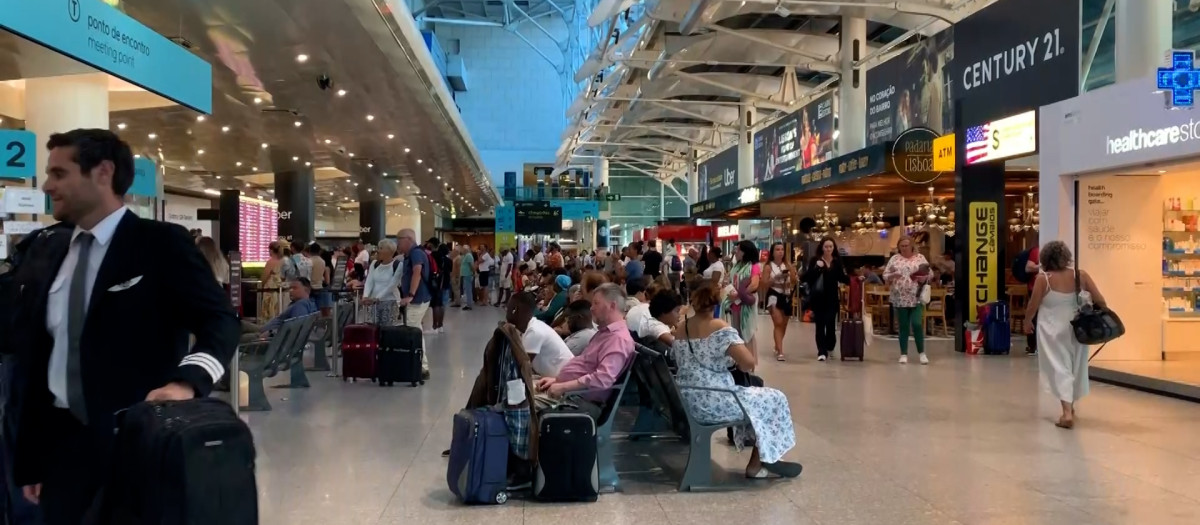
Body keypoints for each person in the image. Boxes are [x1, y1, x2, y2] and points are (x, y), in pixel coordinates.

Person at [9, 129, 238, 524]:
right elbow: (40, 356)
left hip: (136, 445)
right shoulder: (49, 250)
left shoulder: (159, 244)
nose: (47, 186)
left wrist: (188, 382)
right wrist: (30, 459)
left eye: (59, 174)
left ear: (103, 172)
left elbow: (220, 321)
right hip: (62, 452)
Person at [674, 280, 801, 479]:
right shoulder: (719, 328)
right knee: (774, 398)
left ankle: (766, 453)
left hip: (688, 397)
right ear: (717, 302)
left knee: (757, 399)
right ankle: (759, 462)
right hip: (715, 399)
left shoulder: (682, 328)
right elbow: (747, 363)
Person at [1024, 241, 1106, 429]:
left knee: (1059, 367)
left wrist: (1028, 322)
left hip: (1052, 329)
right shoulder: (1080, 275)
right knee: (1075, 366)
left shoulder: (1043, 279)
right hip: (1078, 328)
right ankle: (1071, 406)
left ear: (1045, 258)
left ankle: (1067, 413)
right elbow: (1100, 299)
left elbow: (1033, 305)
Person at [534, 283, 635, 419]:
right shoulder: (605, 333)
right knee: (521, 389)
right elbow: (585, 367)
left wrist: (563, 386)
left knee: (519, 402)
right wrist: (557, 380)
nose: (591, 308)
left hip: (578, 400)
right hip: (571, 392)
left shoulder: (618, 339)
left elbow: (602, 379)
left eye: (596, 303)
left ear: (612, 306)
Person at [883, 236, 931, 364]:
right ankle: (903, 353)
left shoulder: (920, 258)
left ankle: (922, 353)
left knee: (917, 324)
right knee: (903, 326)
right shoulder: (894, 259)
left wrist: (924, 277)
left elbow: (929, 273)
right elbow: (885, 275)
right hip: (899, 297)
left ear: (911, 246)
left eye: (906, 245)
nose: (904, 248)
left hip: (916, 296)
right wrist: (893, 275)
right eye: (901, 246)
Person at [507, 292, 574, 377]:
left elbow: (521, 366)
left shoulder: (534, 331)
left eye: (508, 307)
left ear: (515, 310)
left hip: (563, 379)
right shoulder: (533, 325)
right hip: (557, 376)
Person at [803, 237, 849, 361]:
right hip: (818, 298)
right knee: (820, 325)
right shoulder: (815, 260)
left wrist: (855, 279)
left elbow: (842, 277)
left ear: (833, 248)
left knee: (830, 325)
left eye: (830, 247)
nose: (828, 249)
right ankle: (821, 351)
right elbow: (806, 277)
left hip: (832, 298)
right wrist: (817, 268)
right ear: (822, 248)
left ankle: (830, 346)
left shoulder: (836, 261)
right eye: (826, 247)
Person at [397, 229, 433, 377]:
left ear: (409, 239)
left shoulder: (416, 253)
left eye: (399, 239)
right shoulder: (410, 254)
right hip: (418, 298)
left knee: (412, 332)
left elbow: (417, 272)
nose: (398, 243)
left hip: (417, 299)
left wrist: (411, 295)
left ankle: (418, 366)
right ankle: (420, 365)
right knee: (416, 331)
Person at [244, 278, 318, 342]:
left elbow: (296, 328)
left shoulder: (300, 305)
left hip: (269, 339)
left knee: (239, 334)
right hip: (267, 332)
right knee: (241, 324)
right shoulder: (306, 303)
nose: (291, 291)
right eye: (290, 288)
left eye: (295, 288)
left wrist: (271, 332)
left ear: (307, 290)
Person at [723, 241, 762, 353]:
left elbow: (754, 284)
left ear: (745, 252)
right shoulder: (737, 266)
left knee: (747, 332)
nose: (736, 252)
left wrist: (739, 295)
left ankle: (749, 362)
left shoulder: (754, 266)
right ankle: (740, 361)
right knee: (736, 331)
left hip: (745, 303)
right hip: (735, 304)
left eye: (738, 249)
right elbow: (730, 280)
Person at [764, 242, 797, 361]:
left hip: (786, 294)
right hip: (774, 294)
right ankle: (780, 351)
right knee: (778, 322)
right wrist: (775, 278)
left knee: (784, 324)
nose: (780, 252)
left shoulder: (788, 265)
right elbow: (764, 284)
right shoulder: (768, 266)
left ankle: (777, 345)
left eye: (782, 249)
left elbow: (794, 280)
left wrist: (791, 274)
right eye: (777, 249)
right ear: (772, 252)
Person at [362, 239, 403, 326]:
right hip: (373, 303)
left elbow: (391, 285)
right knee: (373, 330)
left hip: (390, 302)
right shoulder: (374, 264)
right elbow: (369, 281)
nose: (378, 250)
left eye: (381, 248)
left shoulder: (397, 265)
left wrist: (377, 298)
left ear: (389, 251)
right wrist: (365, 296)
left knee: (387, 330)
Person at [1023, 244, 1042, 357]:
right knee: (1034, 316)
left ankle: (1037, 345)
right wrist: (1041, 266)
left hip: (1047, 288)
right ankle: (1033, 346)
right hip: (1034, 288)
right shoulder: (1036, 251)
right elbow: (1028, 267)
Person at [307, 242, 331, 316]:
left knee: (311, 310)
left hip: (311, 288)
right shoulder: (322, 261)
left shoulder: (309, 261)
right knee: (319, 309)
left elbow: (308, 274)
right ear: (319, 251)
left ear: (310, 250)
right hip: (319, 287)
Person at [459, 245, 476, 311]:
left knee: (468, 290)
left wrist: (473, 273)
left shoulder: (468, 256)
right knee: (466, 290)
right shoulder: (465, 256)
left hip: (468, 275)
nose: (462, 250)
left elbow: (471, 266)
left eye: (463, 249)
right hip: (465, 275)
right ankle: (468, 304)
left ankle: (469, 305)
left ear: (466, 250)